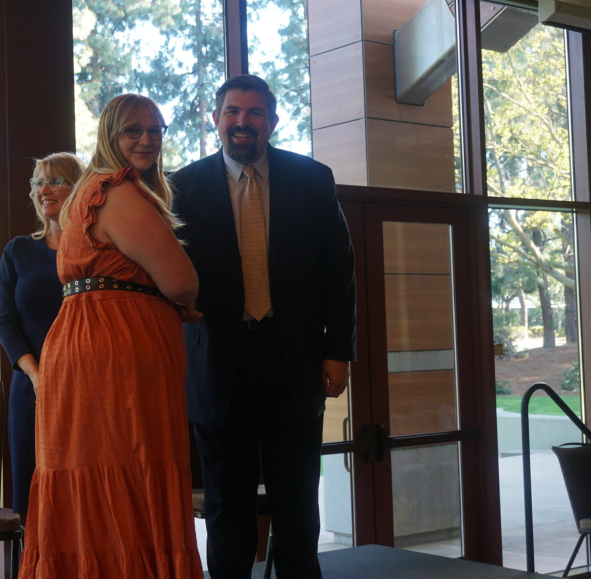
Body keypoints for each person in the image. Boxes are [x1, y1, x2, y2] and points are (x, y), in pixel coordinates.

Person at [169, 74, 357, 579]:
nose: (242, 123)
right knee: (227, 506)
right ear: (216, 120)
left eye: (254, 114)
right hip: (216, 366)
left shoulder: (312, 179)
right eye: (232, 112)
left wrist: (337, 351)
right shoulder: (180, 188)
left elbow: (338, 271)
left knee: (296, 500)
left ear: (272, 122)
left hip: (292, 361)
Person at [18, 94, 204, 578]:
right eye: (133, 130)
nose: (148, 139)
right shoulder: (115, 189)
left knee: (96, 472)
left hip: (89, 340)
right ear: (110, 136)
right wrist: (182, 302)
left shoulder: (86, 192)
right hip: (116, 347)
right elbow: (182, 280)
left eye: (157, 129)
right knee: (132, 469)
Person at [0, 152, 85, 517]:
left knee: (79, 493)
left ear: (77, 189)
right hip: (30, 389)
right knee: (31, 497)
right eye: (37, 182)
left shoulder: (94, 251)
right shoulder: (18, 250)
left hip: (83, 384)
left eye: (54, 181)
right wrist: (35, 375)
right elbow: (5, 322)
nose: (43, 189)